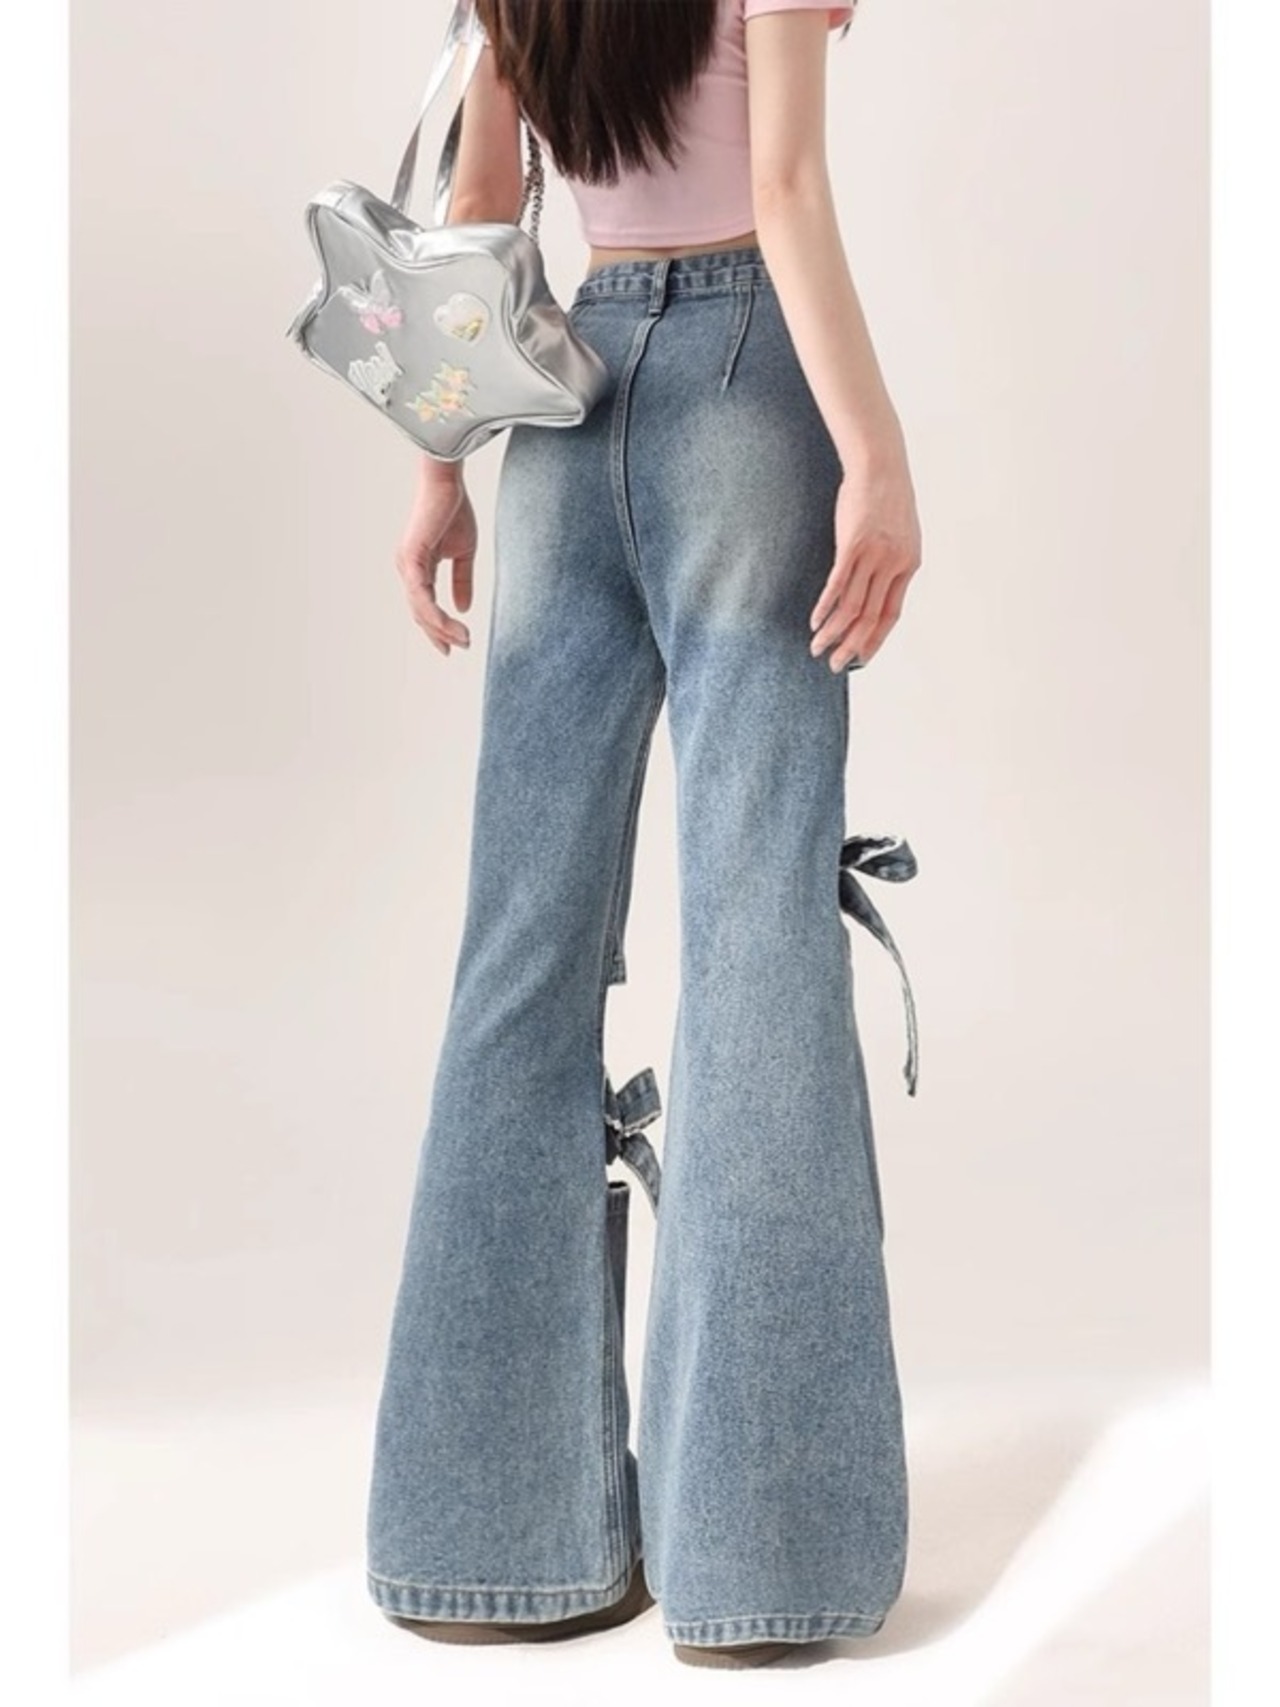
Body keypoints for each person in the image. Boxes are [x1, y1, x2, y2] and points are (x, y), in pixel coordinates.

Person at [365, 0, 923, 1671]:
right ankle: (762, 1565)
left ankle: (475, 1546)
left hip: (561, 406)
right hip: (753, 395)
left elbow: (481, 207)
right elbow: (787, 188)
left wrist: (440, 471)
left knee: (519, 958)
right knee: (758, 950)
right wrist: (878, 458)